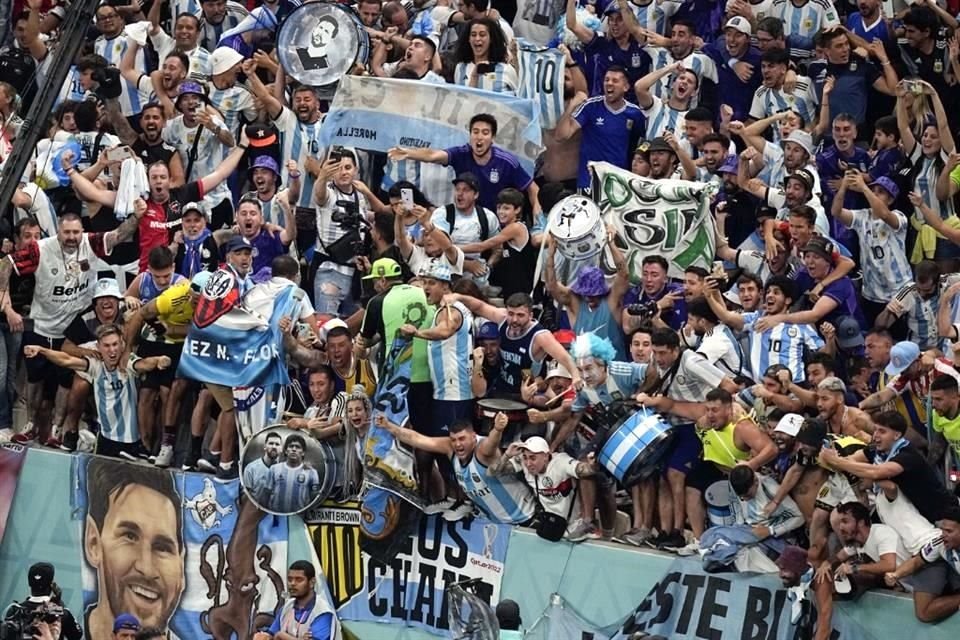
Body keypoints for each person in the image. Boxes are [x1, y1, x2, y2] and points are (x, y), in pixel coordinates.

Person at [2, 210, 144, 446]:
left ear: (82, 232)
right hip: (40, 324)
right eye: (66, 232)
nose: (71, 237)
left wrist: (137, 217)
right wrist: (5, 302)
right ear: (58, 232)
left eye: (76, 232)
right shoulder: (41, 249)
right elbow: (6, 264)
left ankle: (56, 430)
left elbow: (119, 234)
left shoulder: (91, 243)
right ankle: (29, 425)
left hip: (71, 325)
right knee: (34, 379)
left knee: (66, 382)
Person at [82, 458, 184, 640]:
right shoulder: (66, 632)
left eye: (162, 547)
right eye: (130, 537)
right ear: (93, 543)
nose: (146, 568)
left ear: (181, 566)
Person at [382, 414, 539, 525]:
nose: (457, 444)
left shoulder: (482, 450)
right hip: (497, 522)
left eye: (462, 439)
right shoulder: (450, 448)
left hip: (525, 517)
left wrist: (497, 429)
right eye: (454, 439)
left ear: (473, 437)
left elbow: (491, 443)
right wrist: (389, 426)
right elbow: (418, 439)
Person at [495, 435, 599, 541]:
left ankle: (588, 523)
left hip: (574, 525)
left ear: (545, 456)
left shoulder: (560, 462)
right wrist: (507, 455)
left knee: (587, 476)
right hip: (550, 524)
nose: (528, 463)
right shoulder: (524, 463)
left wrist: (591, 466)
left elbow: (582, 470)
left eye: (533, 458)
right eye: (525, 457)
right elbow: (492, 472)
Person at [884, 505, 960, 623]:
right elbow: (916, 561)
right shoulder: (940, 542)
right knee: (923, 613)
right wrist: (896, 574)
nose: (943, 534)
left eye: (949, 531)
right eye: (943, 529)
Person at [253, 561, 338, 640]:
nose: (292, 584)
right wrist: (264, 636)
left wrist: (282, 636)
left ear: (312, 582)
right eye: (290, 579)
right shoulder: (287, 607)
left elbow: (278, 635)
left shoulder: (322, 612)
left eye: (299, 579)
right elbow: (272, 633)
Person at [15, 563, 82, 640]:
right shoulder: (61, 612)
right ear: (52, 584)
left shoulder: (15, 611)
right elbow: (77, 635)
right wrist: (60, 604)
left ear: (30, 583)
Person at [267, 435, 321, 514]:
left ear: (303, 453)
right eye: (291, 446)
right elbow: (266, 493)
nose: (294, 449)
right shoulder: (274, 469)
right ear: (285, 451)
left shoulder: (311, 472)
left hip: (299, 518)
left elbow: (314, 497)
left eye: (298, 447)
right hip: (276, 516)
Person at [242, 430, 282, 507]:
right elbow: (245, 497)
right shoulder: (251, 468)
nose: (274, 446)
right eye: (271, 443)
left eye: (277, 444)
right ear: (265, 446)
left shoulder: (284, 471)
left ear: (281, 449)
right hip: (254, 510)